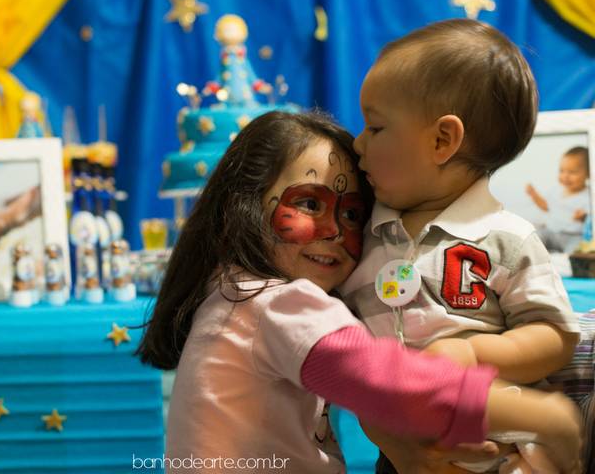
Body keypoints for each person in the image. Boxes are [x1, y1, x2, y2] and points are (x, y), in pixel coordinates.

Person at [137, 110, 582, 474]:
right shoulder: (277, 305)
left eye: (352, 215)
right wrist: (546, 417)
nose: (334, 230)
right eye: (310, 204)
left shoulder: (229, 289)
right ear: (244, 203)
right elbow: (386, 381)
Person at [342, 18, 582, 473]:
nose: (357, 142)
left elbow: (554, 335)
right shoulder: (361, 232)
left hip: (509, 450)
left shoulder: (507, 236)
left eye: (375, 128)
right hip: (402, 451)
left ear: (441, 140)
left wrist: (476, 353)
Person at [526, 146, 590, 253]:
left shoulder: (587, 195)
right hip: (552, 232)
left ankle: (569, 261)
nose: (565, 176)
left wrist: (584, 217)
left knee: (577, 251)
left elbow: (590, 220)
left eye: (572, 172)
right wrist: (534, 195)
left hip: (574, 237)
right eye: (562, 171)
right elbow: (545, 206)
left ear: (588, 173)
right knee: (537, 235)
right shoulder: (556, 190)